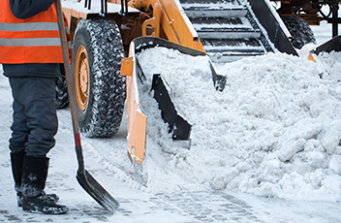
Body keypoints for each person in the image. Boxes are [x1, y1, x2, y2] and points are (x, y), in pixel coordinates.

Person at [0, 0, 69, 214]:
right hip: (30, 57)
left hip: (30, 57)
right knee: (43, 126)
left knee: (24, 126)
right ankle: (31, 193)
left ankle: (25, 189)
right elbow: (21, 7)